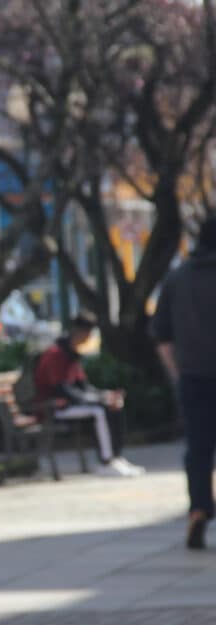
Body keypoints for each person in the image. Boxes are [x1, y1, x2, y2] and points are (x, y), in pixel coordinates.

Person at [152, 216, 216, 550]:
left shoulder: (177, 279)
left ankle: (199, 509)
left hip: (193, 377)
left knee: (199, 448)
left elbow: (162, 337)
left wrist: (178, 373)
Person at [34, 312, 144, 478]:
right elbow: (62, 390)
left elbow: (83, 386)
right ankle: (106, 461)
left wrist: (105, 395)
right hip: (53, 407)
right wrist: (99, 400)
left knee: (114, 405)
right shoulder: (55, 354)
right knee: (99, 411)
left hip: (70, 403)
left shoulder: (71, 354)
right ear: (81, 332)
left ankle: (116, 457)